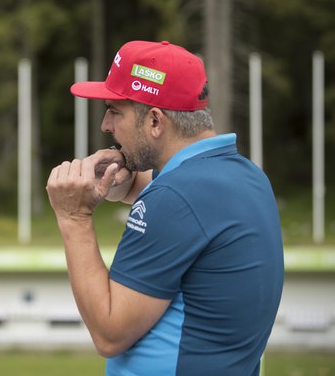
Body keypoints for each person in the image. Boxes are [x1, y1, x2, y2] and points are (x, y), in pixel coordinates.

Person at [46, 40, 284, 375]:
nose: (105, 126)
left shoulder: (174, 197)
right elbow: (190, 212)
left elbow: (110, 334)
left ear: (156, 121)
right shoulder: (247, 177)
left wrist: (74, 217)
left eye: (115, 111)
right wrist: (125, 181)